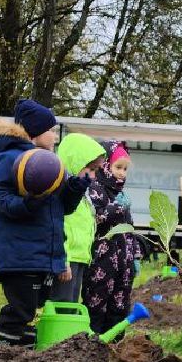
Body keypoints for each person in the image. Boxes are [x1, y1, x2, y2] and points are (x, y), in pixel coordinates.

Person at [0, 100, 90, 345]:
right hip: (20, 253)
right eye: (50, 130)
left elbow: (61, 208)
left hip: (41, 252)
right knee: (21, 309)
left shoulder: (49, 163)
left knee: (33, 309)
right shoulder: (11, 158)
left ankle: (24, 351)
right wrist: (27, 204)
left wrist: (73, 189)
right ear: (34, 131)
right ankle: (0, 351)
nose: (54, 136)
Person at [81, 142, 142, 334]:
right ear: (105, 166)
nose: (122, 173)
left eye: (125, 169)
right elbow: (95, 220)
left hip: (124, 261)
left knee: (120, 304)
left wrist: (136, 255)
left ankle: (115, 345)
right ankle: (93, 343)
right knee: (97, 302)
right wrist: (116, 207)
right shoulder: (94, 189)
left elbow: (129, 228)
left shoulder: (121, 194)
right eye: (118, 167)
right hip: (102, 261)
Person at [52, 131, 110, 305]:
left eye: (96, 170)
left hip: (80, 258)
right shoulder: (64, 192)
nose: (93, 176)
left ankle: (67, 333)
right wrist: (63, 260)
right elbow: (59, 227)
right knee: (61, 305)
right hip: (68, 260)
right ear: (75, 163)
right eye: (90, 169)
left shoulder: (82, 193)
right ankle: (58, 333)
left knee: (70, 305)